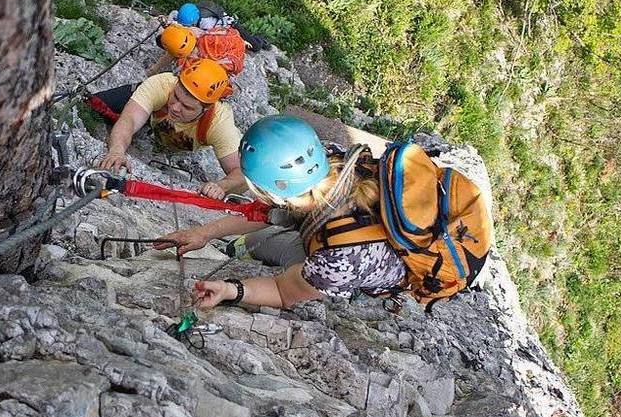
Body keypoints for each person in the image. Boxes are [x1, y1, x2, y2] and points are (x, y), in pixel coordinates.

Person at [155, 115, 406, 309]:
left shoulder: (339, 260)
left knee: (282, 257)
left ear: (277, 192)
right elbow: (266, 212)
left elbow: (283, 292)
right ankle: (235, 249)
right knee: (254, 242)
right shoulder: (329, 159)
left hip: (356, 264)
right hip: (340, 240)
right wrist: (203, 233)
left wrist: (229, 290)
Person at [98, 58, 246, 199]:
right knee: (97, 103)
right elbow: (129, 119)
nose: (175, 108)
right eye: (175, 96)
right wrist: (116, 150)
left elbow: (241, 173)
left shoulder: (219, 122)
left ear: (206, 109)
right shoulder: (162, 84)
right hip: (152, 117)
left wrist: (222, 186)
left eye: (187, 107)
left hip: (171, 138)